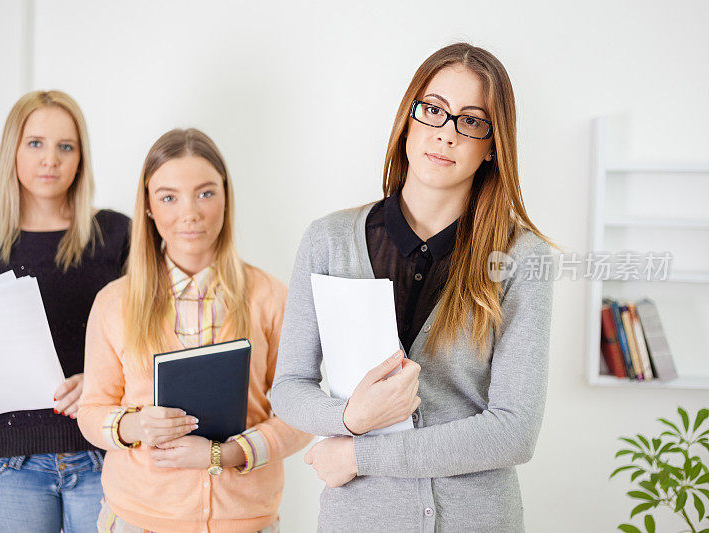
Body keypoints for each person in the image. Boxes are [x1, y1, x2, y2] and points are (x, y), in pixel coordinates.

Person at [271, 42, 555, 532]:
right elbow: (289, 389)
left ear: (492, 146)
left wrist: (361, 454)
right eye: (434, 110)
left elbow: (514, 431)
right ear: (409, 117)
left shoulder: (522, 258)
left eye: (471, 121)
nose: (446, 134)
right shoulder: (329, 239)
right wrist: (350, 417)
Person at [78, 128, 311, 533]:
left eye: (205, 193)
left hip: (246, 522)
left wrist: (227, 454)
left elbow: (303, 414)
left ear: (225, 197)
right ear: (148, 207)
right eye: (168, 197)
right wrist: (134, 426)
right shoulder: (114, 302)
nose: (190, 213)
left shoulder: (272, 297)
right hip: (139, 521)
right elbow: (91, 410)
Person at [0, 90, 131, 532]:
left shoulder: (115, 235)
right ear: (12, 151)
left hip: (105, 453)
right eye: (35, 143)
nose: (50, 160)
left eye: (66, 146)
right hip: (6, 464)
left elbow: (149, 338)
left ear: (81, 157)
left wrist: (100, 381)